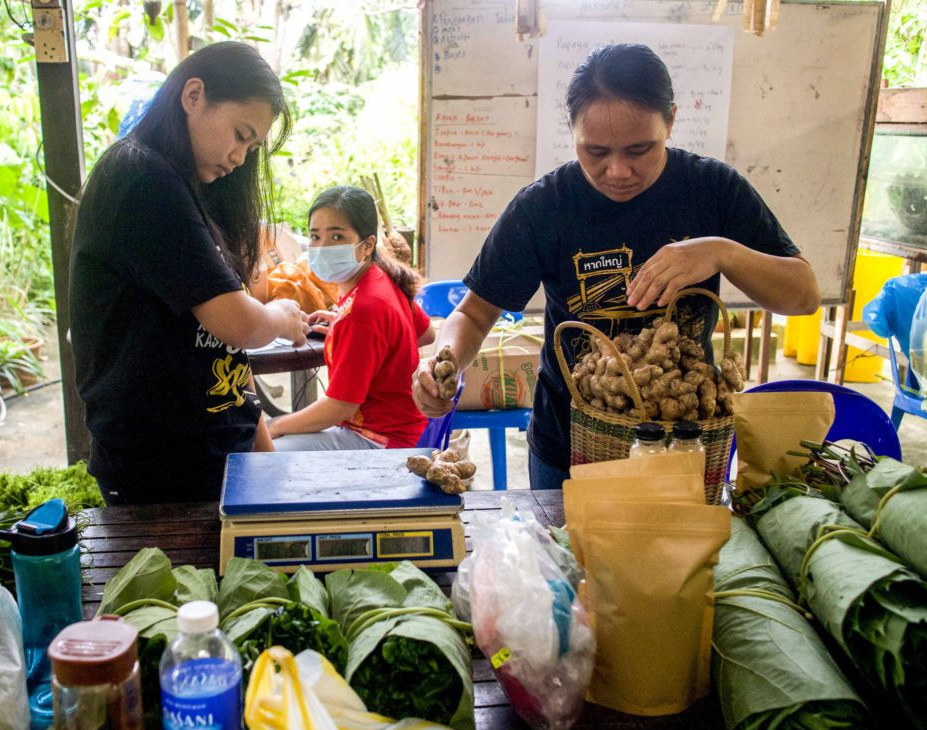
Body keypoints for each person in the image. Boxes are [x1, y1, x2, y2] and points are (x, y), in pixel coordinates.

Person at [412, 43, 821, 490]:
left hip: (679, 443)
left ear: (671, 120)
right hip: (570, 447)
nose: (618, 171)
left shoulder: (712, 190)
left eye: (640, 149)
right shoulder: (544, 207)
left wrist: (723, 252)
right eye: (596, 151)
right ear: (572, 135)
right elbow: (474, 313)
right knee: (568, 559)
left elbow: (802, 295)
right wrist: (441, 366)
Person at [70, 41, 310, 505]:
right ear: (193, 95)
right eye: (240, 134)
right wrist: (282, 314)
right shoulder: (142, 179)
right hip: (164, 475)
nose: (241, 157)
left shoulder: (186, 188)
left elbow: (224, 367)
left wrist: (267, 460)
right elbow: (237, 325)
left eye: (252, 146)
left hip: (221, 461)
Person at [268, 186, 435, 450]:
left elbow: (341, 407)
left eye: (337, 236)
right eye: (315, 236)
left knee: (266, 452)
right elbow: (426, 333)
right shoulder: (381, 279)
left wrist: (275, 425)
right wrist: (353, 334)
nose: (322, 247)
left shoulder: (363, 309)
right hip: (408, 428)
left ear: (367, 245)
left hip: (379, 440)